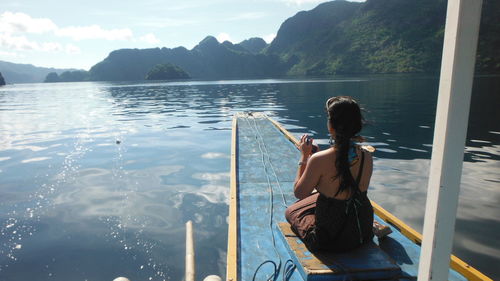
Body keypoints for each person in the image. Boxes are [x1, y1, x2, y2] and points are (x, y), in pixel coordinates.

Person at [285, 96, 374, 252]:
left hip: (330, 240)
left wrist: (305, 157)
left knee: (292, 212)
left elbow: (299, 193)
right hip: (362, 234)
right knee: (340, 198)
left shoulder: (319, 160)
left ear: (331, 126)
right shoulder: (367, 156)